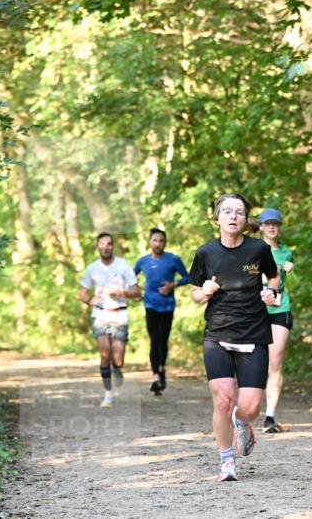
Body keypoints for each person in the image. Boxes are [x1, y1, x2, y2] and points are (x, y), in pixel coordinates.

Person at [188, 194, 279, 481]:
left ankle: (242, 423)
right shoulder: (205, 253)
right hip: (217, 333)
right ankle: (226, 461)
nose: (233, 216)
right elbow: (194, 293)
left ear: (245, 219)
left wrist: (271, 292)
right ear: (217, 218)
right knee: (223, 400)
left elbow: (274, 277)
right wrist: (204, 292)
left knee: (249, 407)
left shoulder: (259, 249)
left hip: (254, 332)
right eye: (227, 211)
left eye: (239, 212)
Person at [79, 232, 141, 407]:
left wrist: (120, 292)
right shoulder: (92, 268)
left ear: (112, 246)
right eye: (102, 244)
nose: (105, 247)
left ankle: (117, 368)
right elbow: (82, 292)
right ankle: (108, 394)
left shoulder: (123, 265)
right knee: (104, 354)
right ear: (97, 246)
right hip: (100, 315)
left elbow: (137, 292)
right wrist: (90, 300)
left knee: (118, 359)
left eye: (109, 244)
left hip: (120, 315)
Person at [134, 228, 190, 395]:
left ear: (165, 243)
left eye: (161, 241)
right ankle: (155, 376)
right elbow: (130, 278)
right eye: (155, 240)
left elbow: (188, 277)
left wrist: (174, 284)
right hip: (150, 305)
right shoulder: (143, 261)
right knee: (154, 339)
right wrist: (136, 291)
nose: (158, 243)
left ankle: (161, 368)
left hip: (167, 306)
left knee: (163, 340)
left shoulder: (173, 259)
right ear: (149, 242)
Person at [257, 207, 296, 433]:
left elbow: (290, 283)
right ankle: (245, 409)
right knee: (253, 362)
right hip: (255, 311)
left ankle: (269, 416)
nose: (272, 227)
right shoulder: (252, 250)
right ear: (261, 227)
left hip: (280, 309)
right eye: (268, 223)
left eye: (275, 223)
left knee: (275, 362)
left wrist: (289, 269)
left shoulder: (286, 253)